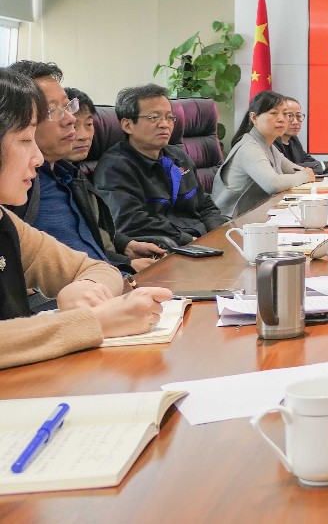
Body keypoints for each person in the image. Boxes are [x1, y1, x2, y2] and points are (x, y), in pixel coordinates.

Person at [0, 68, 171, 370]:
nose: (37, 158)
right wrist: (90, 322)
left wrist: (86, 286)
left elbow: (94, 267)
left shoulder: (7, 222)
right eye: (26, 139)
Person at [6, 64, 167, 274]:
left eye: (67, 106)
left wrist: (125, 246)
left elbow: (87, 244)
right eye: (53, 110)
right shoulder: (16, 187)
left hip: (109, 280)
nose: (70, 119)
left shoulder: (69, 174)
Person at [94, 84, 228, 247]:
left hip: (202, 240)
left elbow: (204, 203)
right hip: (169, 248)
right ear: (127, 125)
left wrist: (218, 233)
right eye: (154, 117)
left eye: (169, 117)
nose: (165, 124)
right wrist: (190, 242)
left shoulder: (178, 157)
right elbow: (131, 222)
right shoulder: (115, 168)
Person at [213, 90, 315, 218]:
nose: (281, 119)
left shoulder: (268, 145)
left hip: (256, 216)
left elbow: (293, 169)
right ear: (254, 118)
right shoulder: (249, 148)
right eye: (274, 113)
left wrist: (305, 173)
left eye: (285, 114)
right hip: (232, 222)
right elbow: (273, 184)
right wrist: (304, 176)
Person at [274, 97, 328, 174]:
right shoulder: (272, 142)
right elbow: (287, 168)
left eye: (298, 116)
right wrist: (325, 165)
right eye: (290, 116)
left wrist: (324, 167)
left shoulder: (293, 139)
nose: (295, 122)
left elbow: (306, 160)